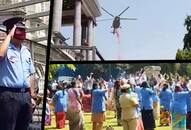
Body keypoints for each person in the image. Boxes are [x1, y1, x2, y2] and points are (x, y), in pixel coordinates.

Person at [0, 17, 36, 130]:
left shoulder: (26, 51)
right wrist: (9, 36)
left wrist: (32, 96)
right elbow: (0, 55)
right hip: (9, 96)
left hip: (25, 96)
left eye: (24, 30)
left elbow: (30, 75)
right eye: (19, 29)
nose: (23, 33)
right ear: (11, 30)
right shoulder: (5, 48)